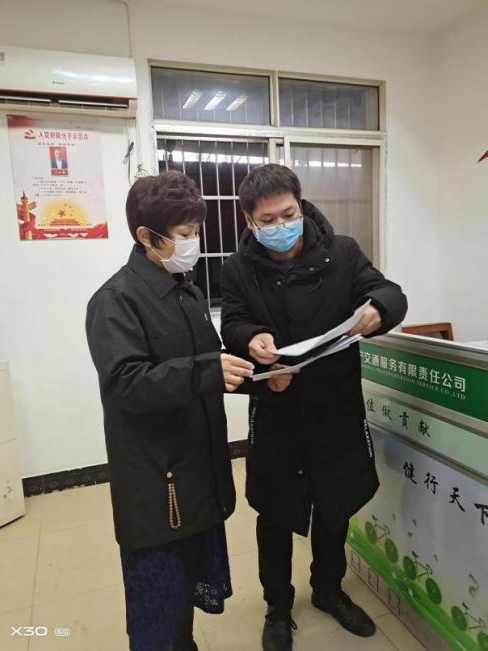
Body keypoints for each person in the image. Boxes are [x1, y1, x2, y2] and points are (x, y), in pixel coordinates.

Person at [220, 164, 408, 651]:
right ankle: (278, 606)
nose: (281, 226)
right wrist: (252, 340)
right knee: (275, 515)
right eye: (268, 220)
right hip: (277, 410)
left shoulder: (342, 253)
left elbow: (390, 292)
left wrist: (379, 309)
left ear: (301, 206)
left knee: (333, 508)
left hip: (334, 410)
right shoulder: (238, 269)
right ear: (248, 221)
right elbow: (233, 323)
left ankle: (328, 590)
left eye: (288, 214)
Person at [85, 171, 254, 651]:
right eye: (184, 234)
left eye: (196, 231)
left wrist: (255, 374)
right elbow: (126, 383)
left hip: (197, 467)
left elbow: (205, 365)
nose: (193, 243)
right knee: (157, 608)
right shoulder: (115, 301)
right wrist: (206, 371)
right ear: (147, 237)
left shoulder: (186, 291)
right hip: (158, 482)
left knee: (187, 593)